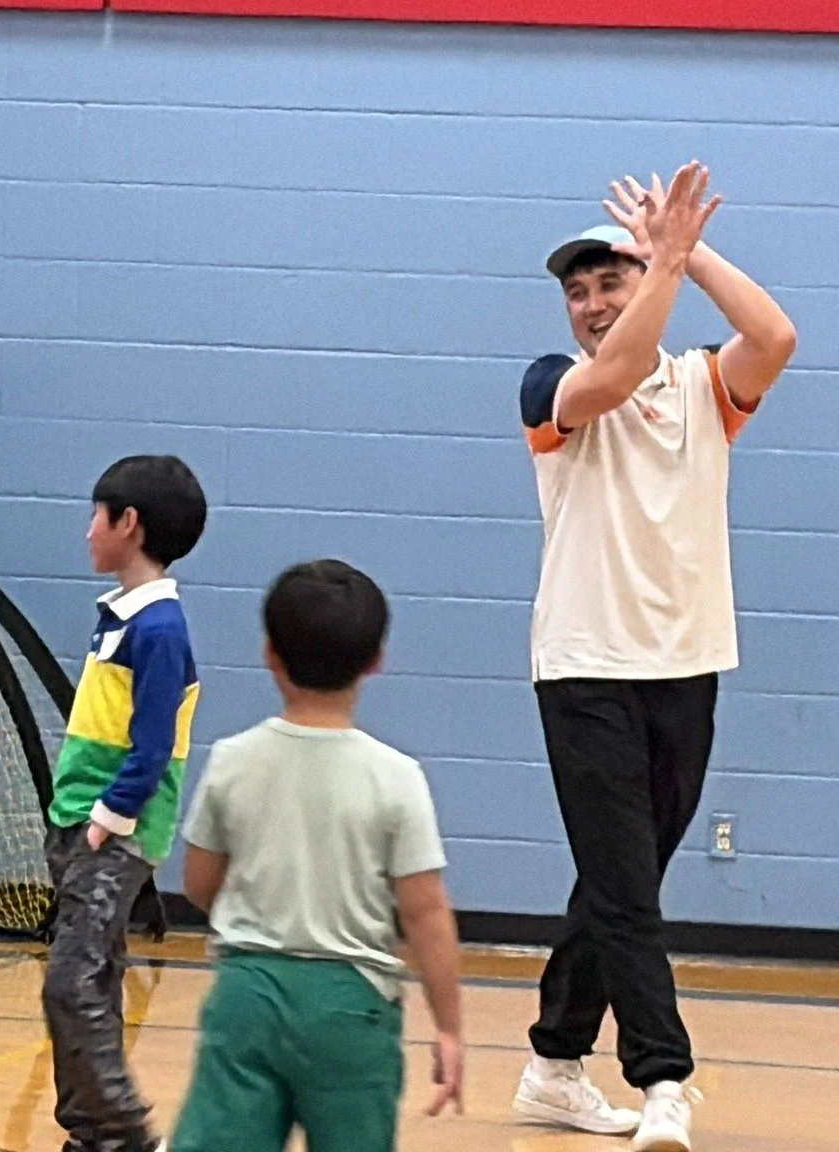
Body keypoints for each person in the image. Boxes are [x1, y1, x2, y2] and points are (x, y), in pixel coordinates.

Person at [514, 162, 797, 1151]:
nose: (591, 303)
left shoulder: (707, 386)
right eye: (578, 291)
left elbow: (777, 337)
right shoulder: (553, 384)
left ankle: (553, 1063)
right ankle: (664, 1078)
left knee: (617, 879)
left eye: (610, 283)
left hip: (687, 667)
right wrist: (660, 264)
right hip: (585, 666)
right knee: (627, 886)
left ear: (649, 283)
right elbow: (616, 373)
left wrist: (688, 252)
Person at [170, 559, 465, 1152]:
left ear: (269, 653)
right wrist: (450, 1027)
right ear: (376, 659)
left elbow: (199, 882)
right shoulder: (397, 777)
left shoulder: (232, 759)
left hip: (248, 994)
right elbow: (426, 913)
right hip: (350, 1008)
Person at [43, 454, 208, 1152]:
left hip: (110, 832)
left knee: (70, 985)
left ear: (129, 524)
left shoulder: (160, 629)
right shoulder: (121, 616)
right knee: (97, 984)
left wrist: (109, 819)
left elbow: (152, 742)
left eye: (97, 516)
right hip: (82, 822)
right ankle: (93, 1136)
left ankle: (128, 1133)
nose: (88, 532)